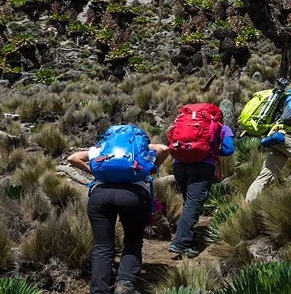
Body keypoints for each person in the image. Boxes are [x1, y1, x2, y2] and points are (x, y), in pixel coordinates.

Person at [67, 136, 169, 294]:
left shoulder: (102, 150)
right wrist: (153, 167)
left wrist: (93, 172)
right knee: (133, 240)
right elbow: (164, 149)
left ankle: (100, 289)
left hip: (100, 195)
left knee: (102, 246)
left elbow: (72, 158)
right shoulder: (140, 149)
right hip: (134, 195)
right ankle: (125, 284)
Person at [169, 122, 235, 259]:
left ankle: (187, 236)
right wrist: (211, 151)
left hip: (178, 165)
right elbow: (229, 150)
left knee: (189, 202)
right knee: (193, 203)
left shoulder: (186, 123)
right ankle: (181, 243)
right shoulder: (222, 127)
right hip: (202, 166)